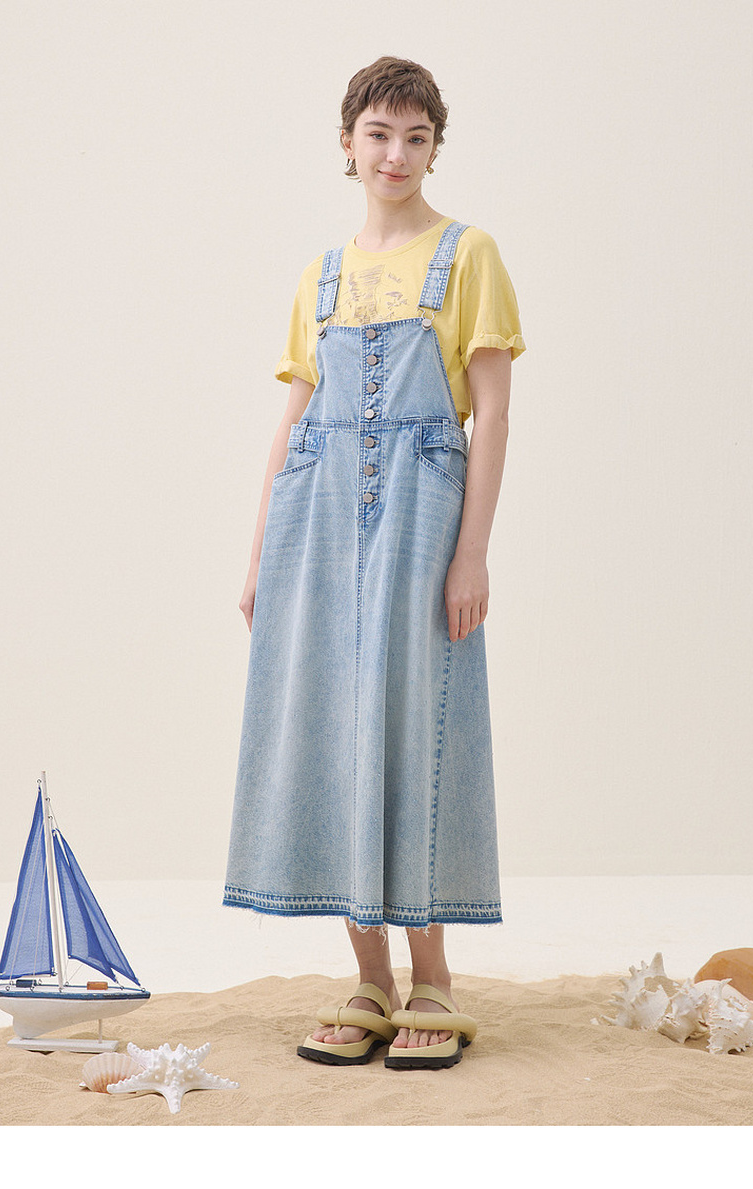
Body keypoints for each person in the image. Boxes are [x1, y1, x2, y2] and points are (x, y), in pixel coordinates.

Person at [224, 56, 525, 1069]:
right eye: (379, 134)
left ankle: (433, 977)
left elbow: (491, 415)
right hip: (313, 518)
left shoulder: (468, 254)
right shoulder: (321, 274)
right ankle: (369, 979)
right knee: (329, 725)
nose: (396, 154)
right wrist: (260, 553)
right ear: (347, 144)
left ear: (435, 148)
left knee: (413, 722)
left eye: (416, 137)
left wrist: (472, 551)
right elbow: (294, 418)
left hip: (419, 512)